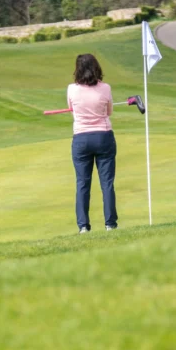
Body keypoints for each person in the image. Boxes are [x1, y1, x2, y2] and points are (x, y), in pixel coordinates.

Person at [67, 53, 118, 233]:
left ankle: (83, 226)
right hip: (103, 136)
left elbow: (73, 113)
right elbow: (109, 112)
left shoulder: (71, 89)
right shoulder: (105, 88)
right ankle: (110, 224)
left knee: (82, 183)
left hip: (81, 138)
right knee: (107, 183)